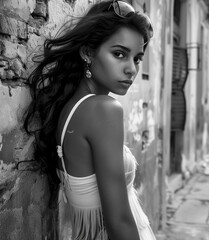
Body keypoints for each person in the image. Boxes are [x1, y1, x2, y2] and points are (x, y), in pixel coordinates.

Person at [23, 1, 155, 239]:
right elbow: (120, 221)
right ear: (87, 52)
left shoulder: (70, 107)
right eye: (119, 54)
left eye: (137, 58)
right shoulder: (103, 109)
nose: (131, 70)